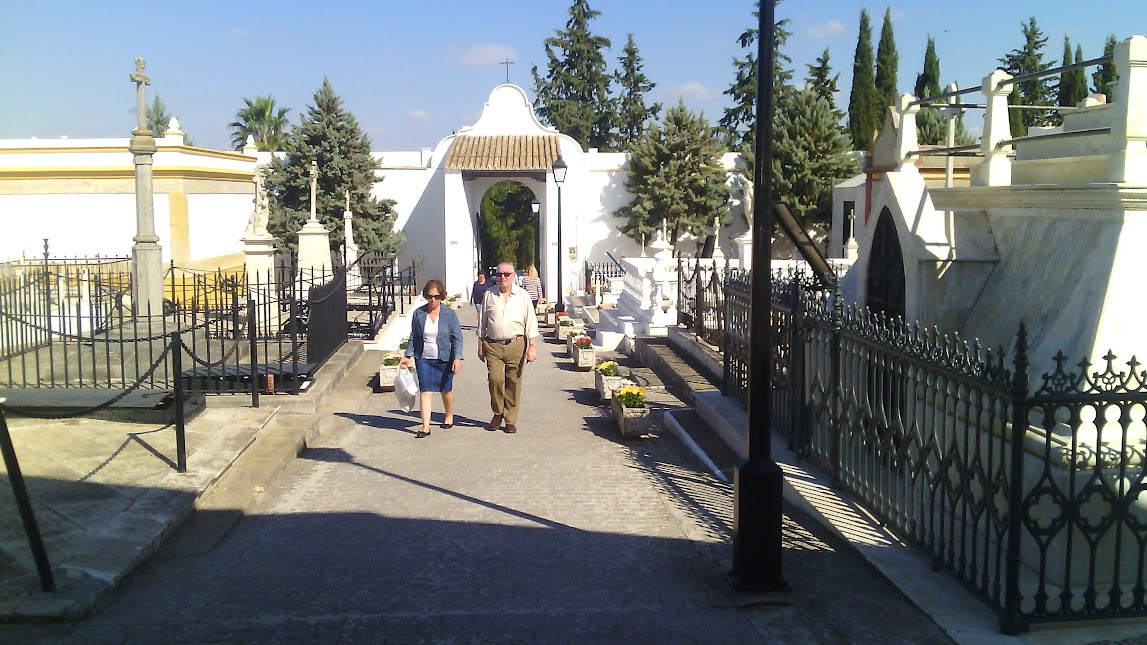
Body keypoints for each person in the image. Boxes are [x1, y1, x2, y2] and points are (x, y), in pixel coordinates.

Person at [477, 261, 540, 434]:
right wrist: (480, 344)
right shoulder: (489, 294)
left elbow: (531, 321)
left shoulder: (522, 295)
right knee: (495, 380)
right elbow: (482, 321)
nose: (502, 277)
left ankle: (510, 418)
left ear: (513, 276)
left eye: (506, 274)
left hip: (516, 344)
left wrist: (532, 346)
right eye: (499, 274)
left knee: (513, 382)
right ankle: (498, 412)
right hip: (493, 345)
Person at [399, 279, 464, 438]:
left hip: (444, 358)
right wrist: (407, 355)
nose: (432, 300)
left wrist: (457, 358)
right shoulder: (419, 314)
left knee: (445, 390)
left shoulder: (449, 314)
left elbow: (457, 338)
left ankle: (449, 415)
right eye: (429, 296)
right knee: (425, 391)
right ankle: (425, 427)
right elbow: (414, 336)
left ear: (441, 296)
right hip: (424, 359)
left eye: (436, 296)